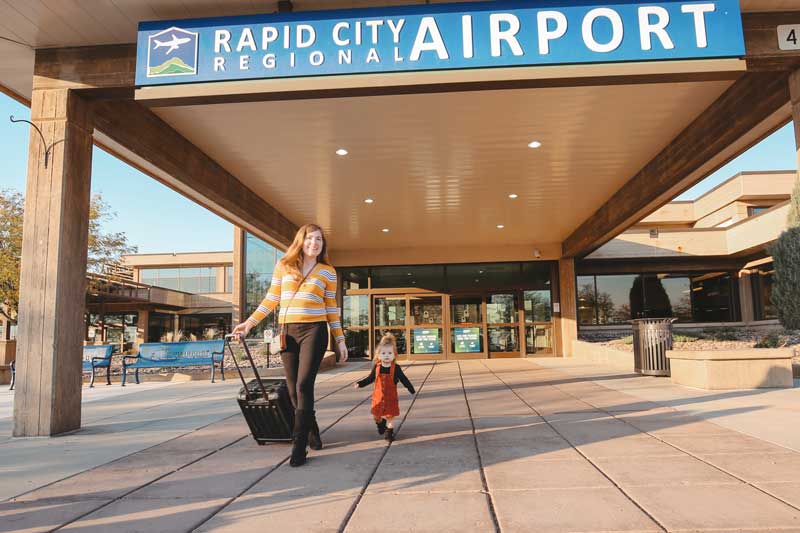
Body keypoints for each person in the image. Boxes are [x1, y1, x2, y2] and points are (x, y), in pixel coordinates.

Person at [232, 223, 347, 467]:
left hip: (314, 331)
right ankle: (311, 428)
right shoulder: (284, 266)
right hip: (288, 332)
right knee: (293, 389)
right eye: (309, 239)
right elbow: (271, 299)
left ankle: (299, 444)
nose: (314, 243)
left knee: (305, 385)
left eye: (318, 240)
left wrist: (340, 339)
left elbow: (330, 309)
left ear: (322, 245)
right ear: (300, 241)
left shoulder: (328, 272)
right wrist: (249, 323)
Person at [354, 333, 415, 442]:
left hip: (391, 399)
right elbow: (370, 378)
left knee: (390, 417)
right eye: (384, 353)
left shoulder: (396, 368)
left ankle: (389, 433)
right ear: (378, 355)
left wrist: (410, 388)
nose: (387, 355)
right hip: (378, 398)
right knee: (376, 416)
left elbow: (404, 379)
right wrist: (360, 383)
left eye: (390, 353)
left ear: (394, 355)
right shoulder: (377, 368)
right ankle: (381, 424)